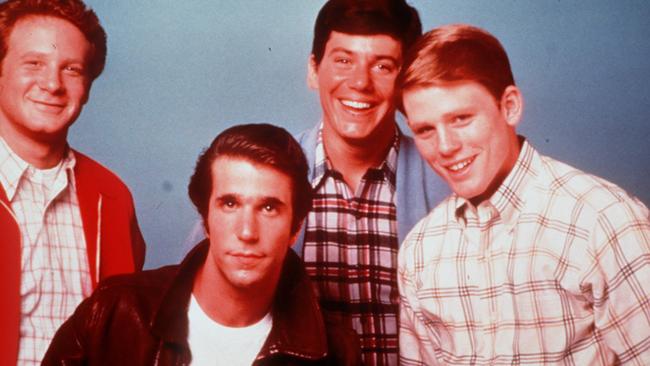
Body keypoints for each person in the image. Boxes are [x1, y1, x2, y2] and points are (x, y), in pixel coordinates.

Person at [397, 23, 650, 365]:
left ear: (510, 106)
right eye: (425, 129)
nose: (445, 146)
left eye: (461, 118)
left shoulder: (603, 220)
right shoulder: (420, 249)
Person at [43, 124, 361, 365]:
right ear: (205, 219)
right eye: (230, 204)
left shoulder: (336, 352)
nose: (247, 231)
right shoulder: (113, 313)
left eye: (269, 208)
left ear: (296, 227)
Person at [294, 1, 448, 364]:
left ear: (406, 82)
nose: (360, 82)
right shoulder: (265, 175)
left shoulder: (449, 182)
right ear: (314, 70)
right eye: (343, 60)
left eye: (383, 66)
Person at [0, 0, 146, 364]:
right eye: (33, 63)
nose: (52, 84)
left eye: (72, 69)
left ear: (88, 86)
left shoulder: (111, 197)